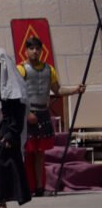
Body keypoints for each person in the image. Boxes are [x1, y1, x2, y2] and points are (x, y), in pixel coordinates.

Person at [17, 37, 85, 196]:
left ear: (41, 50)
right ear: (26, 51)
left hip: (43, 113)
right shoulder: (20, 69)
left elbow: (57, 90)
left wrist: (75, 90)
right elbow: (17, 94)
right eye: (31, 48)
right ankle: (26, 187)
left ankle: (39, 187)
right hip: (28, 113)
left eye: (37, 48)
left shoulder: (49, 69)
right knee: (27, 152)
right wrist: (27, 113)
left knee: (40, 152)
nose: (35, 51)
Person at [0, 47, 32, 208]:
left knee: (3, 167)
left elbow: (18, 112)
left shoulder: (13, 86)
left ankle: (2, 204)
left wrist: (11, 134)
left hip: (6, 131)